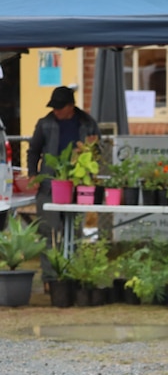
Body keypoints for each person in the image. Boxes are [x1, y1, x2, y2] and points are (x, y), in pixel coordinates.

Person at [27, 86, 101, 280]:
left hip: (77, 186)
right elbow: (33, 150)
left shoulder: (88, 123)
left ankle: (73, 275)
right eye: (54, 107)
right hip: (49, 185)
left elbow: (97, 154)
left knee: (75, 232)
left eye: (60, 107)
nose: (56, 111)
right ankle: (51, 278)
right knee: (48, 233)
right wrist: (33, 174)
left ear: (71, 106)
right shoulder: (45, 124)